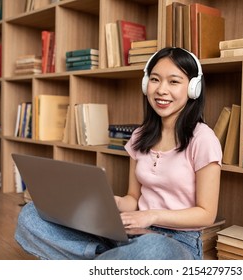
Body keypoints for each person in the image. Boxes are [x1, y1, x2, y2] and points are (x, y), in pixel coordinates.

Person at [15, 47, 222, 260]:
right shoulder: (140, 136)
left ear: (193, 88)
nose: (161, 90)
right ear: (145, 84)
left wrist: (151, 216)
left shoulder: (203, 139)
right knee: (31, 215)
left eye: (174, 81)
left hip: (177, 242)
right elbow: (132, 199)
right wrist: (105, 201)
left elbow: (206, 214)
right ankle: (110, 262)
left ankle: (103, 261)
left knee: (152, 249)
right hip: (131, 232)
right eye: (155, 79)